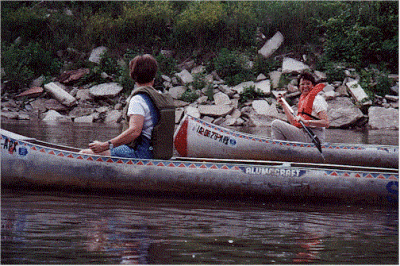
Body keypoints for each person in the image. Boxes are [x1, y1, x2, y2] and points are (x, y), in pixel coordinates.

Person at [80, 54, 175, 159]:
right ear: (154, 75)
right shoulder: (159, 96)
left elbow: (135, 131)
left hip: (142, 154)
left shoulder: (138, 99)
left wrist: (104, 146)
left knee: (84, 153)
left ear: (132, 75)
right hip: (160, 154)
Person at [271, 72, 330, 143]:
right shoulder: (303, 100)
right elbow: (293, 122)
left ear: (313, 85)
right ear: (299, 87)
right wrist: (283, 104)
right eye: (302, 84)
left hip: (313, 137)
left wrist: (306, 121)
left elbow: (326, 123)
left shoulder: (317, 99)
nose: (305, 86)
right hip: (304, 133)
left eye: (308, 84)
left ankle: (281, 150)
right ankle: (283, 148)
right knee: (276, 129)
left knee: (276, 124)